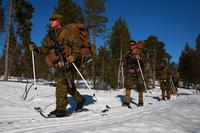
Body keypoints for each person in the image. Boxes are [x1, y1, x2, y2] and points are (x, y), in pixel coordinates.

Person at [29, 13, 85, 117]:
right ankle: (80, 99)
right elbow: (45, 49)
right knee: (68, 86)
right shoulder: (50, 36)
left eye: (53, 20)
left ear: (59, 21)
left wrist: (74, 55)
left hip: (68, 61)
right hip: (57, 63)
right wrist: (36, 49)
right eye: (50, 20)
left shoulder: (66, 32)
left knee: (61, 83)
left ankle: (60, 109)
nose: (50, 21)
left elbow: (76, 44)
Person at [123, 40, 146, 107]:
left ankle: (140, 101)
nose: (131, 46)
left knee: (140, 87)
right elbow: (125, 61)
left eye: (133, 45)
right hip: (129, 72)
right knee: (128, 86)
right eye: (130, 45)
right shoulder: (128, 53)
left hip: (138, 72)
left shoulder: (139, 52)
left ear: (135, 45)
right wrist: (123, 62)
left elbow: (144, 62)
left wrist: (140, 59)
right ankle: (127, 101)